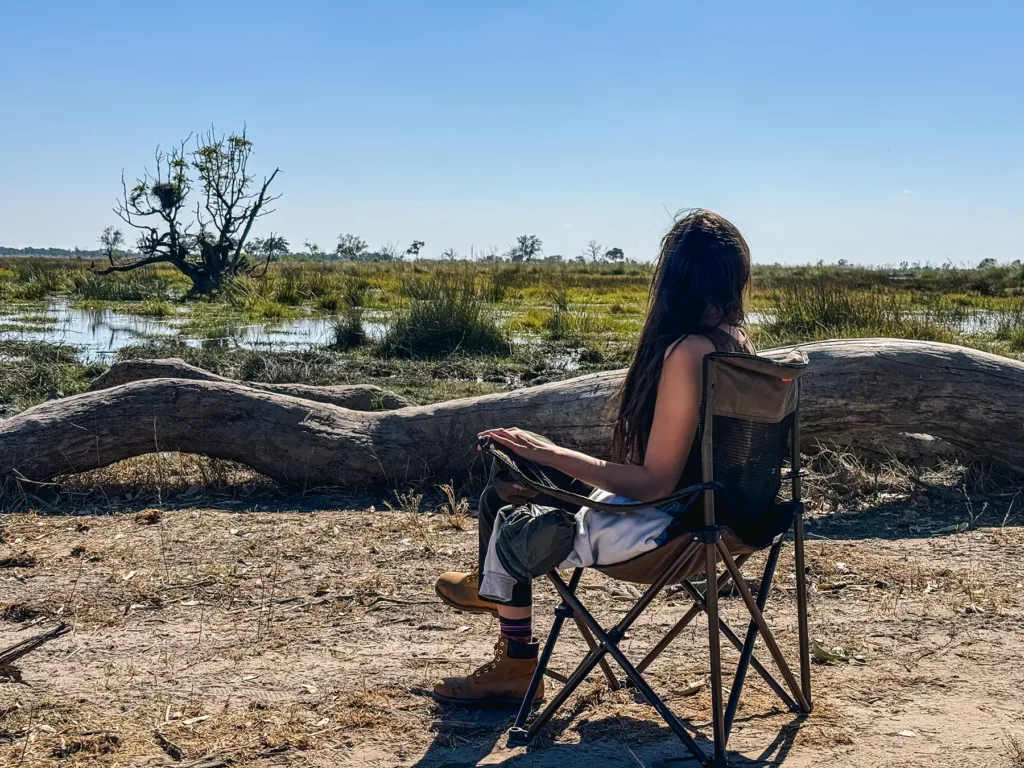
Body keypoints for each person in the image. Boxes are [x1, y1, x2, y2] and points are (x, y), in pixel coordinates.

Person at [433, 209, 756, 705]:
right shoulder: (737, 343)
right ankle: (492, 586)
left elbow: (655, 484)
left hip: (664, 531)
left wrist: (555, 451)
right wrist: (541, 452)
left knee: (506, 497)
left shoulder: (687, 351)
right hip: (724, 520)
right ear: (735, 276)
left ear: (672, 278)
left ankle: (513, 651)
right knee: (519, 463)